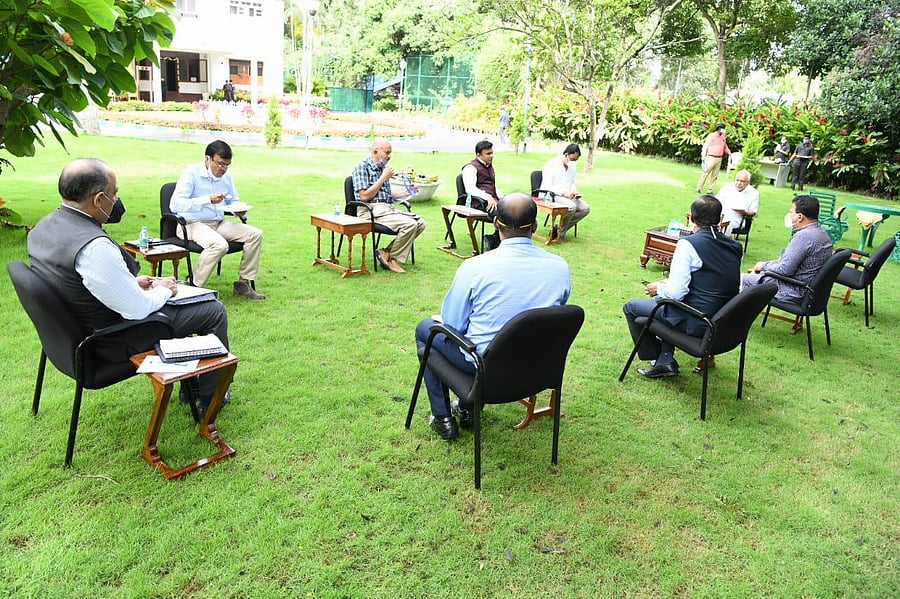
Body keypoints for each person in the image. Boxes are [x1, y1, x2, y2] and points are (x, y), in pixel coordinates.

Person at [27, 158, 230, 417]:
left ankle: (189, 387)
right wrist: (166, 288)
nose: (117, 199)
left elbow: (77, 280)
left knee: (185, 306)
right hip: (109, 340)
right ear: (99, 200)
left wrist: (131, 283)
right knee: (213, 311)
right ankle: (209, 398)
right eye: (115, 193)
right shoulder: (94, 247)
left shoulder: (43, 228)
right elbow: (137, 309)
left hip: (70, 335)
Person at [414, 193, 571, 440]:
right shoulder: (560, 266)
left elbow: (452, 324)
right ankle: (465, 409)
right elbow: (554, 317)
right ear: (534, 225)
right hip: (538, 367)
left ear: (496, 224)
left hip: (487, 368)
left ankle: (444, 416)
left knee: (427, 330)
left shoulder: (475, 267)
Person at [623, 195, 742, 378]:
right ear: (719, 219)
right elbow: (713, 280)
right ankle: (665, 359)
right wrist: (668, 285)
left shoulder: (688, 244)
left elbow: (676, 293)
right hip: (724, 319)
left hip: (698, 320)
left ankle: (658, 359)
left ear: (691, 218)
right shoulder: (734, 245)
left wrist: (659, 288)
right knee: (663, 302)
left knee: (633, 307)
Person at [171, 140, 266, 299]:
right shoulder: (191, 174)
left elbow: (233, 200)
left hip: (217, 223)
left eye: (227, 165)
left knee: (255, 234)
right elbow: (175, 205)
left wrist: (238, 210)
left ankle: (243, 284)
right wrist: (207, 199)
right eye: (220, 164)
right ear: (207, 159)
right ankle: (193, 285)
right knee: (219, 245)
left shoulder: (226, 176)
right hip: (192, 223)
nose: (223, 169)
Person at [351, 138, 427, 273]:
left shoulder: (382, 169)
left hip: (386, 209)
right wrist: (383, 178)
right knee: (410, 224)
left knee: (420, 222)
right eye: (387, 152)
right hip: (369, 211)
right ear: (375, 151)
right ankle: (393, 259)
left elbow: (386, 194)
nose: (389, 156)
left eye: (390, 153)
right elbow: (364, 196)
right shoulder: (362, 167)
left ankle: (386, 252)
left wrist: (406, 192)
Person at [742, 194, 832, 304]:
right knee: (753, 276)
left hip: (793, 291)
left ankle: (730, 318)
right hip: (808, 291)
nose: (788, 215)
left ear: (800, 217)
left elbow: (784, 269)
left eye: (791, 212)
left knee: (739, 279)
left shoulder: (803, 237)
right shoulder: (822, 234)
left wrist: (762, 266)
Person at [541, 143, 590, 241]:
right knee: (571, 207)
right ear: (566, 155)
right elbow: (548, 185)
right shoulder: (552, 164)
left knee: (585, 208)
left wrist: (574, 191)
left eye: (575, 160)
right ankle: (561, 235)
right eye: (572, 159)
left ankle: (558, 230)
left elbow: (571, 182)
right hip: (552, 194)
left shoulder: (572, 166)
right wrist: (564, 193)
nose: (573, 162)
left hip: (568, 196)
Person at [461, 140, 504, 250]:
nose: (492, 156)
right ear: (478, 154)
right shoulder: (470, 168)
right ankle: (495, 240)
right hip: (478, 203)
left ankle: (495, 238)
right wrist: (488, 197)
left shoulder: (488, 166)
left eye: (492, 153)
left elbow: (492, 186)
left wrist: (504, 198)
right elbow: (470, 189)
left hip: (492, 201)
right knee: (503, 214)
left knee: (514, 210)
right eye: (488, 154)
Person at [717, 169, 759, 234]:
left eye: (742, 181)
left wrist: (744, 212)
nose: (738, 183)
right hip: (720, 216)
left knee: (727, 225)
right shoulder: (727, 187)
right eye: (737, 180)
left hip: (736, 219)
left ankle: (722, 242)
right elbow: (716, 200)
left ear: (748, 182)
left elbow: (753, 211)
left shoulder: (753, 193)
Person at [696, 123, 731, 195]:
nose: (724, 130)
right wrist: (703, 156)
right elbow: (705, 146)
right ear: (719, 129)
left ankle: (710, 190)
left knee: (715, 175)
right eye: (723, 129)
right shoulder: (711, 136)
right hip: (711, 157)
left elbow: (725, 146)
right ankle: (699, 188)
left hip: (719, 158)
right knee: (705, 173)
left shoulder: (723, 137)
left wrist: (729, 152)